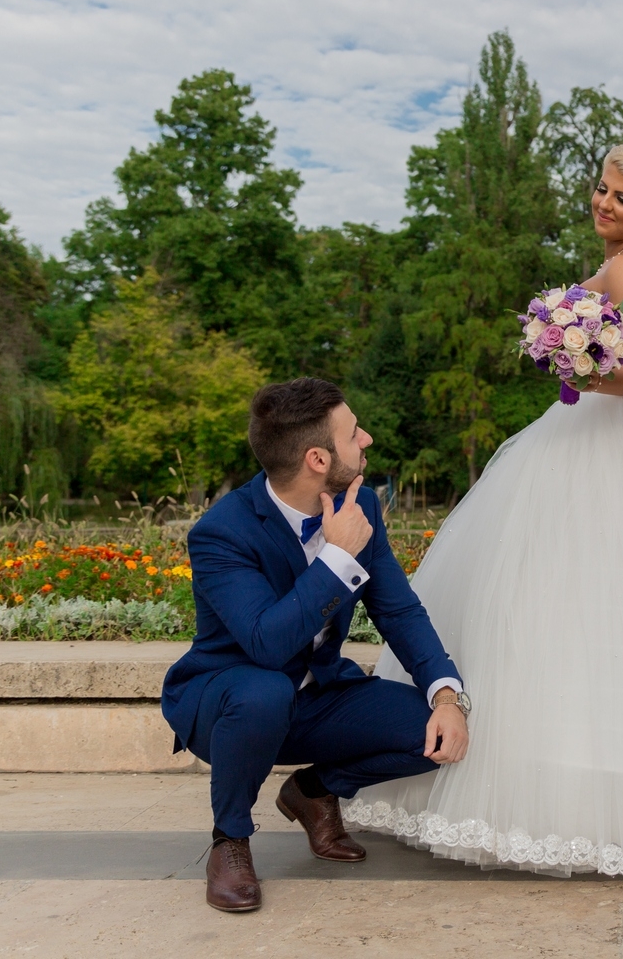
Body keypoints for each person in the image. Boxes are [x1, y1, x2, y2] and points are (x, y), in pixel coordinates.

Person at [342, 136, 623, 880]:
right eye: (602, 188)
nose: (604, 203)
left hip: (618, 442)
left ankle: (568, 797)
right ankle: (610, 794)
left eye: (622, 197)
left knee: (575, 604)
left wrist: (583, 367)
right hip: (608, 437)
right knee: (592, 611)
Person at [161, 378, 470, 912]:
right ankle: (230, 839)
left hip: (319, 694)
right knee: (264, 692)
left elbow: (398, 611)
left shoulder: (360, 505)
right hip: (229, 702)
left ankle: (314, 790)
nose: (366, 439)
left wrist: (447, 696)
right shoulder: (222, 532)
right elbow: (267, 644)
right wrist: (337, 558)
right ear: (318, 459)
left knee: (436, 732)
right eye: (354, 434)